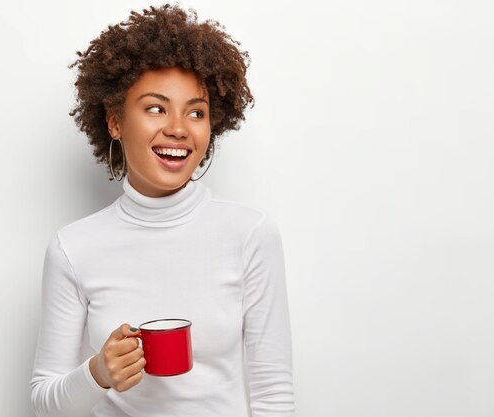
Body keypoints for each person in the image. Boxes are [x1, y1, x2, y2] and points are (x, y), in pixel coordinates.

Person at [29, 4, 295, 417]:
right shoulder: (72, 248)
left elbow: (274, 395)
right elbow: (46, 401)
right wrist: (97, 372)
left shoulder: (250, 234)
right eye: (155, 108)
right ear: (115, 121)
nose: (178, 127)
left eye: (196, 112)